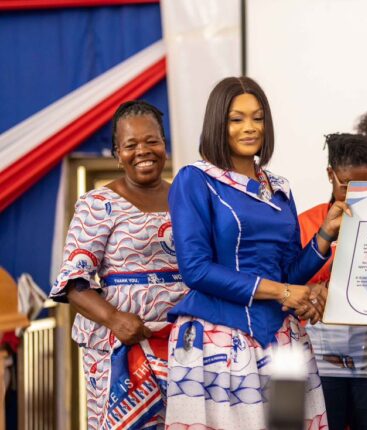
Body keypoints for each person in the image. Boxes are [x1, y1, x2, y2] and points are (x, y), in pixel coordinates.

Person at [165, 77, 346, 429]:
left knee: (289, 425)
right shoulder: (195, 179)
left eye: (258, 118)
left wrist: (325, 234)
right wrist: (283, 292)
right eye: (237, 119)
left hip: (284, 340)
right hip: (219, 339)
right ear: (218, 124)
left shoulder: (278, 187)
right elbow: (196, 269)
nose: (250, 127)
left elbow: (289, 274)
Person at [50, 101, 187, 429]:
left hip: (180, 343)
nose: (143, 151)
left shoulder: (187, 199)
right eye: (131, 145)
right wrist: (115, 319)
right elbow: (73, 283)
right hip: (120, 345)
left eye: (152, 141)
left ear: (164, 144)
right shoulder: (97, 204)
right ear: (117, 153)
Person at [298, 132, 367, 430]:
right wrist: (311, 291)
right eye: (348, 186)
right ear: (331, 174)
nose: (357, 195)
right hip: (320, 359)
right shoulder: (305, 223)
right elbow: (288, 282)